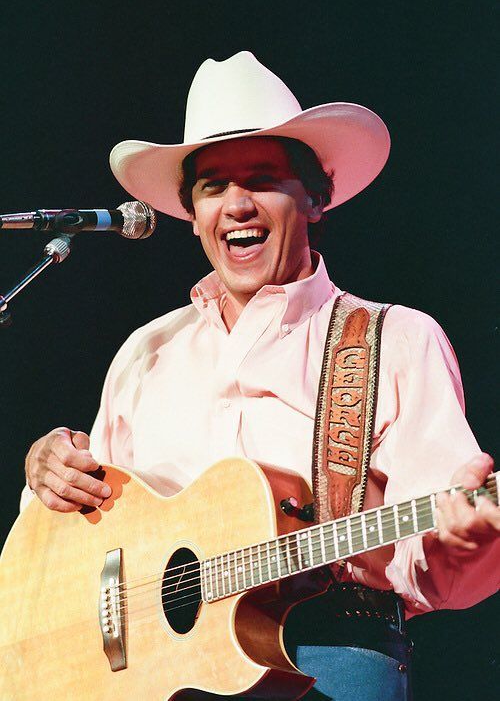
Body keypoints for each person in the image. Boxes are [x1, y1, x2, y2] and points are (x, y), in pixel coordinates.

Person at [22, 52, 499, 700]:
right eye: (214, 186)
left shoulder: (394, 340)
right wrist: (46, 477)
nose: (238, 204)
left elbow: (439, 570)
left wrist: (470, 542)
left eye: (263, 178)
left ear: (316, 197)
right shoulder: (148, 351)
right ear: (192, 213)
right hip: (152, 681)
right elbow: (71, 542)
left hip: (328, 655)